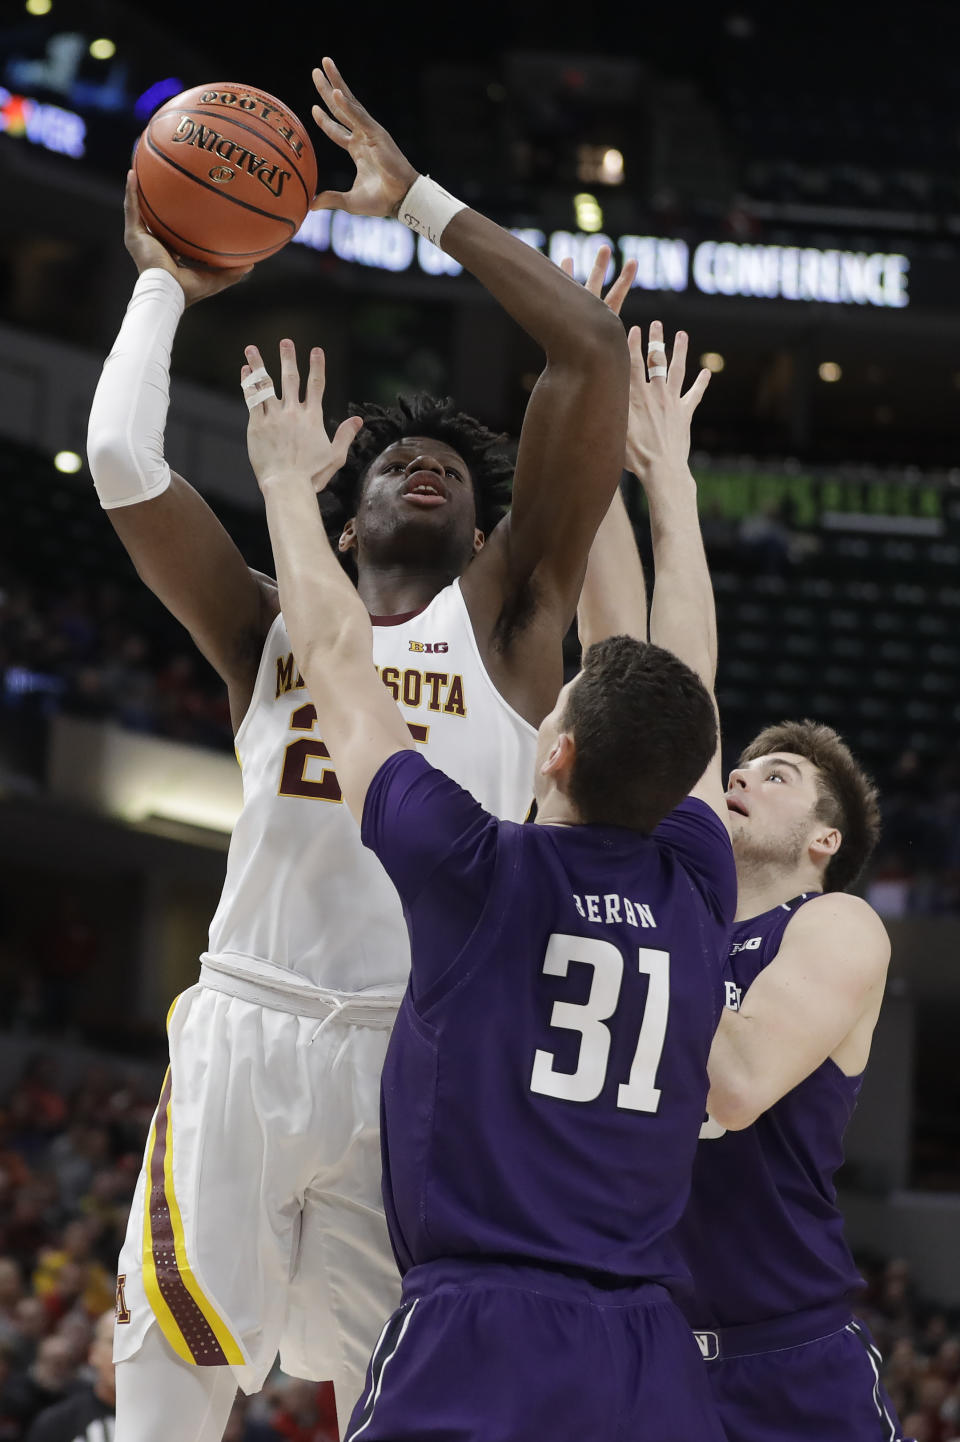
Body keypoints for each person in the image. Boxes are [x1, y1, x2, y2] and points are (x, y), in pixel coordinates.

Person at [86, 57, 629, 1442]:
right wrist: (166, 279)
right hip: (248, 1024)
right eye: (393, 460)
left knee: (414, 1409)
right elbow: (120, 459)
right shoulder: (265, 628)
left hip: (423, 1060)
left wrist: (421, 204)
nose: (425, 464)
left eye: (450, 462)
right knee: (166, 1394)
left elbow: (590, 354)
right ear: (341, 518)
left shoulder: (512, 625)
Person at [240, 305, 734, 1439]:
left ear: (552, 749)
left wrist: (281, 482)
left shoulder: (474, 870)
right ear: (682, 782)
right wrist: (654, 474)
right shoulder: (697, 884)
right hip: (644, 1347)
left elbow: (331, 658)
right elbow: (683, 673)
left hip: (478, 1319)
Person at [576, 318, 905, 1441]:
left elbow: (734, 1085)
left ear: (823, 840)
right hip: (645, 1352)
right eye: (741, 764)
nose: (742, 776)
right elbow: (630, 661)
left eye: (776, 774)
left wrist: (674, 474)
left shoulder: (839, 926)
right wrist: (592, 441)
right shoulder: (683, 892)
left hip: (785, 1359)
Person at [23, 1309, 115, 1442]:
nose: (126, 1354)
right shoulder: (56, 1424)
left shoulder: (155, 1418)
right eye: (114, 1342)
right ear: (93, 1353)